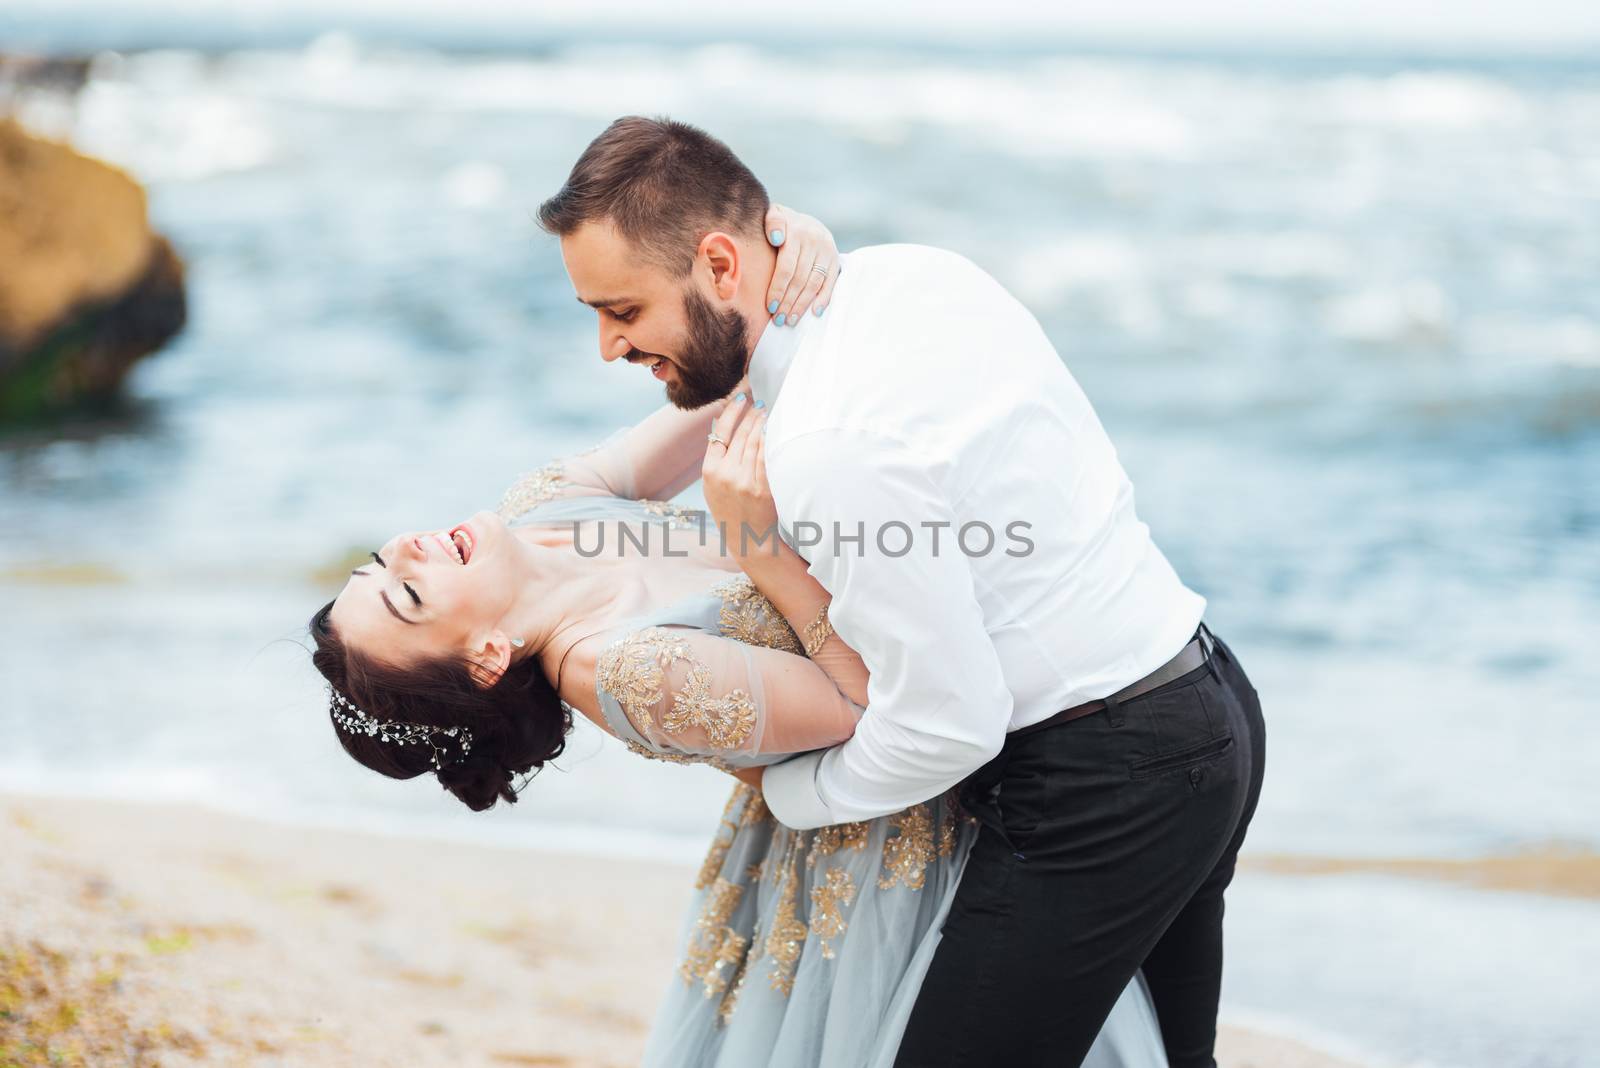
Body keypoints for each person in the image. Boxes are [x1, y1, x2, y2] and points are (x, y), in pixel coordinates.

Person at [307, 214, 1166, 1068]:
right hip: (897, 837)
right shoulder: (628, 671)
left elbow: (730, 383)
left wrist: (781, 268)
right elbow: (866, 703)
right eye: (410, 594)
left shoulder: (541, 509)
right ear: (488, 655)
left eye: (383, 561)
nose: (412, 550)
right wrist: (759, 543)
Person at [538, 115, 1267, 1068]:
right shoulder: (917, 272)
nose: (607, 347)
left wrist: (791, 791)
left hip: (1107, 774)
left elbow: (948, 726)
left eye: (623, 312)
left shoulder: (826, 448)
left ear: (721, 265)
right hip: (1207, 696)